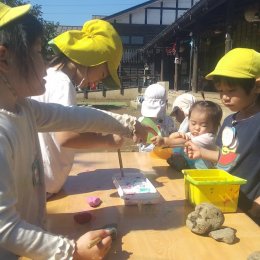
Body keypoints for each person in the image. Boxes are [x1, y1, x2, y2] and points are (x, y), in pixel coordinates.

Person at [0, 3, 153, 259]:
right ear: (3, 58)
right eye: (38, 52)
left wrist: (127, 124)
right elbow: (5, 228)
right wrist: (70, 251)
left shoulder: (24, 109)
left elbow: (75, 117)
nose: (45, 64)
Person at [32, 19, 125, 196]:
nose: (97, 82)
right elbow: (66, 137)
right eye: (103, 73)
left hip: (40, 183)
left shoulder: (49, 77)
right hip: (44, 188)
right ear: (93, 59)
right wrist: (107, 141)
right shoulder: (62, 83)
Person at [184, 48, 260, 223]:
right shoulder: (229, 121)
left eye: (232, 90)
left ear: (256, 86)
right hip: (224, 200)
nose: (224, 97)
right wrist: (201, 153)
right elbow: (228, 158)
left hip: (252, 208)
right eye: (220, 90)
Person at [152, 100, 222, 170]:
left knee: (182, 146)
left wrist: (166, 141)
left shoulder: (209, 138)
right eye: (193, 123)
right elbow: (178, 142)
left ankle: (179, 163)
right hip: (190, 168)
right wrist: (173, 136)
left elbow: (185, 142)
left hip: (203, 172)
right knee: (178, 149)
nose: (197, 128)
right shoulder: (191, 134)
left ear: (215, 126)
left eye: (203, 125)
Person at [138, 83, 176, 152]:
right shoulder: (168, 121)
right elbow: (173, 138)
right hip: (162, 155)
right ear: (166, 102)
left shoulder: (140, 120)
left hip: (145, 156)